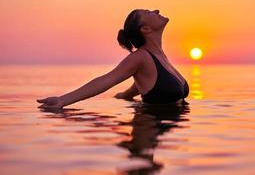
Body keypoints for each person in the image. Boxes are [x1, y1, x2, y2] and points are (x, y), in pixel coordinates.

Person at [37, 9, 189, 109]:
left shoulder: (159, 57)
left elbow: (144, 84)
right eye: (149, 13)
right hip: (149, 129)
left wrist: (125, 95)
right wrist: (62, 101)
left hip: (169, 140)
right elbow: (106, 80)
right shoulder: (140, 57)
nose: (156, 10)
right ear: (145, 29)